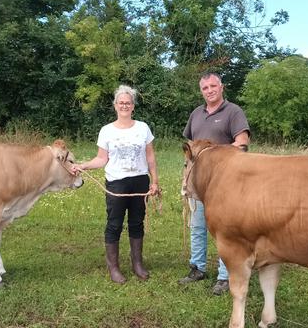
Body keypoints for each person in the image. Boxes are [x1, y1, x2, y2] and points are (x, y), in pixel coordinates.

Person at [72, 85, 160, 284]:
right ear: (115, 105)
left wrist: (154, 181)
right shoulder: (106, 131)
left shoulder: (143, 128)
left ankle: (137, 263)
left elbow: (150, 157)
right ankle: (114, 267)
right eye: (121, 102)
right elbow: (102, 159)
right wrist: (83, 165)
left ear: (133, 106)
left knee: (137, 223)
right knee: (114, 224)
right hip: (116, 184)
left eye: (128, 102)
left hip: (140, 181)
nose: (124, 105)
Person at [179, 72, 250, 295]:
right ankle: (197, 268)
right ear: (201, 91)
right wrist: (187, 174)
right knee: (198, 225)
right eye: (205, 88)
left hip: (225, 183)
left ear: (221, 87)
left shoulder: (233, 112)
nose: (209, 90)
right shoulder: (196, 114)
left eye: (213, 86)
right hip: (200, 183)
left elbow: (242, 143)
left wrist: (216, 152)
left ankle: (224, 276)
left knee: (224, 230)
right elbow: (190, 147)